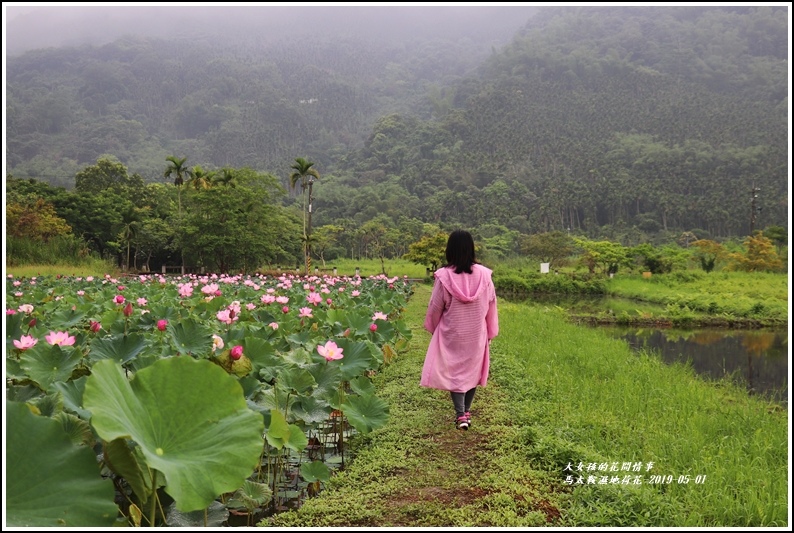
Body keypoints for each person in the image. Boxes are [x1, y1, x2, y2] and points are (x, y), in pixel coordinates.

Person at [420, 229, 499, 430]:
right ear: (471, 249)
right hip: (476, 333)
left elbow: (435, 307)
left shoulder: (444, 277)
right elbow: (491, 304)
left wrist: (433, 327)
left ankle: (460, 415)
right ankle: (466, 412)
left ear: (450, 250)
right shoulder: (484, 275)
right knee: (472, 370)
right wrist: (490, 331)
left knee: (455, 371)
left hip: (453, 333)